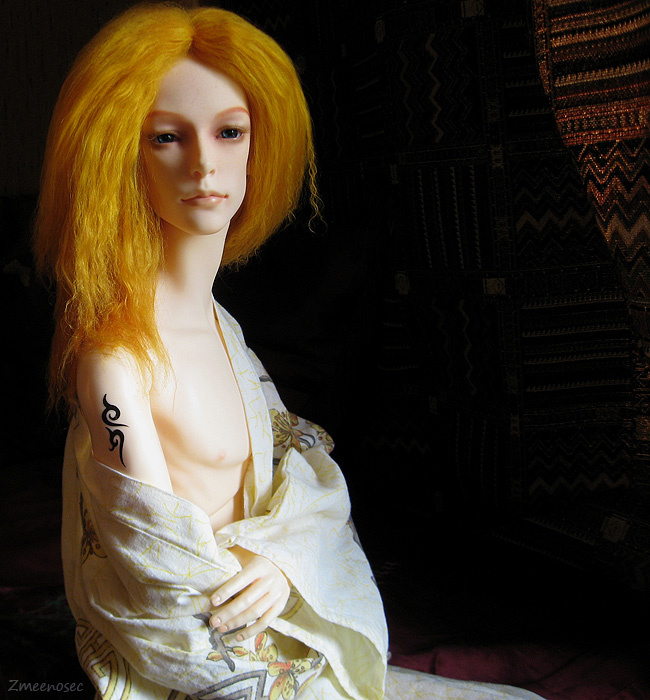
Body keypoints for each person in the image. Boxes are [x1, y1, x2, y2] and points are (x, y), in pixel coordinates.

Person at [34, 4, 543, 699]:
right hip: (222, 654)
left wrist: (282, 560)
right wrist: (270, 661)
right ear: (122, 155)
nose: (204, 162)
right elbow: (153, 565)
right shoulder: (115, 363)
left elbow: (299, 467)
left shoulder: (225, 331)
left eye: (230, 131)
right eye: (166, 137)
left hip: (276, 617)